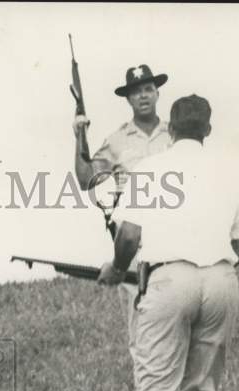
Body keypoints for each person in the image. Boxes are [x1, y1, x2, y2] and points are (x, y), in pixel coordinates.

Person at [98, 95, 239, 391]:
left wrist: (116, 269)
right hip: (222, 279)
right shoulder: (232, 171)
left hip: (170, 277)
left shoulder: (150, 169)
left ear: (170, 129)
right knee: (201, 384)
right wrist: (214, 262)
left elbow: (129, 237)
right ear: (207, 130)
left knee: (155, 385)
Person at [73, 64, 173, 359]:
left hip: (175, 235)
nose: (143, 96)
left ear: (157, 93)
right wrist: (79, 135)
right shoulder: (116, 141)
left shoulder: (175, 133)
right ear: (128, 100)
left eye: (148, 89)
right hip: (133, 240)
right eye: (136, 92)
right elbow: (85, 178)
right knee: (140, 324)